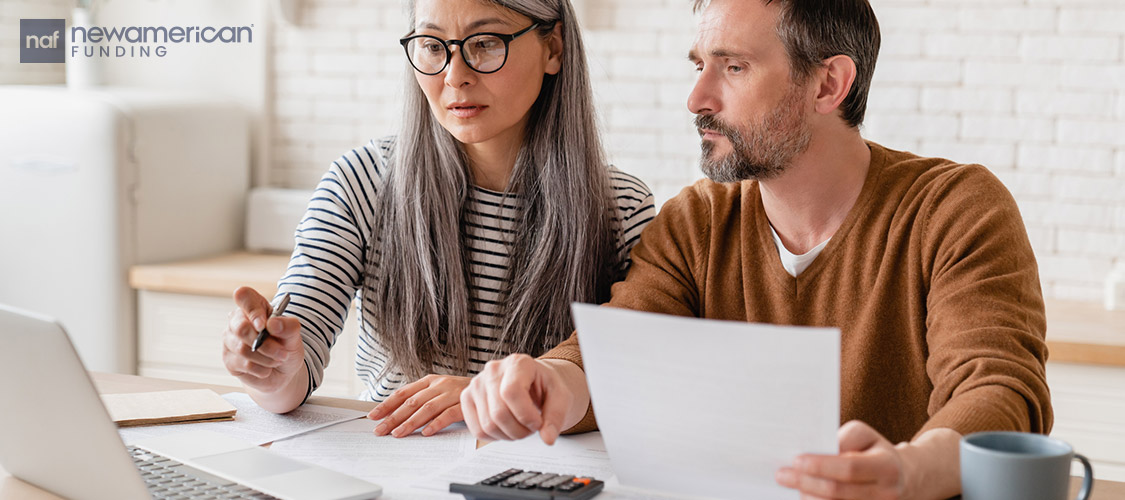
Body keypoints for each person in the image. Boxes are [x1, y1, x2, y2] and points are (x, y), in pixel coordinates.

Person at [459, 0, 1051, 498]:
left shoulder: (954, 208)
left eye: (734, 67)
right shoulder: (698, 220)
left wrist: (906, 471)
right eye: (698, 67)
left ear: (828, 84)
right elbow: (616, 351)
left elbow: (999, 394)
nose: (696, 98)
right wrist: (546, 383)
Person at [220, 0, 654, 440]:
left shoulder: (622, 207)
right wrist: (270, 370)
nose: (454, 75)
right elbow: (295, 366)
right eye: (432, 45)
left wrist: (483, 399)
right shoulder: (362, 182)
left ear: (553, 49)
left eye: (485, 44)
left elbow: (634, 383)